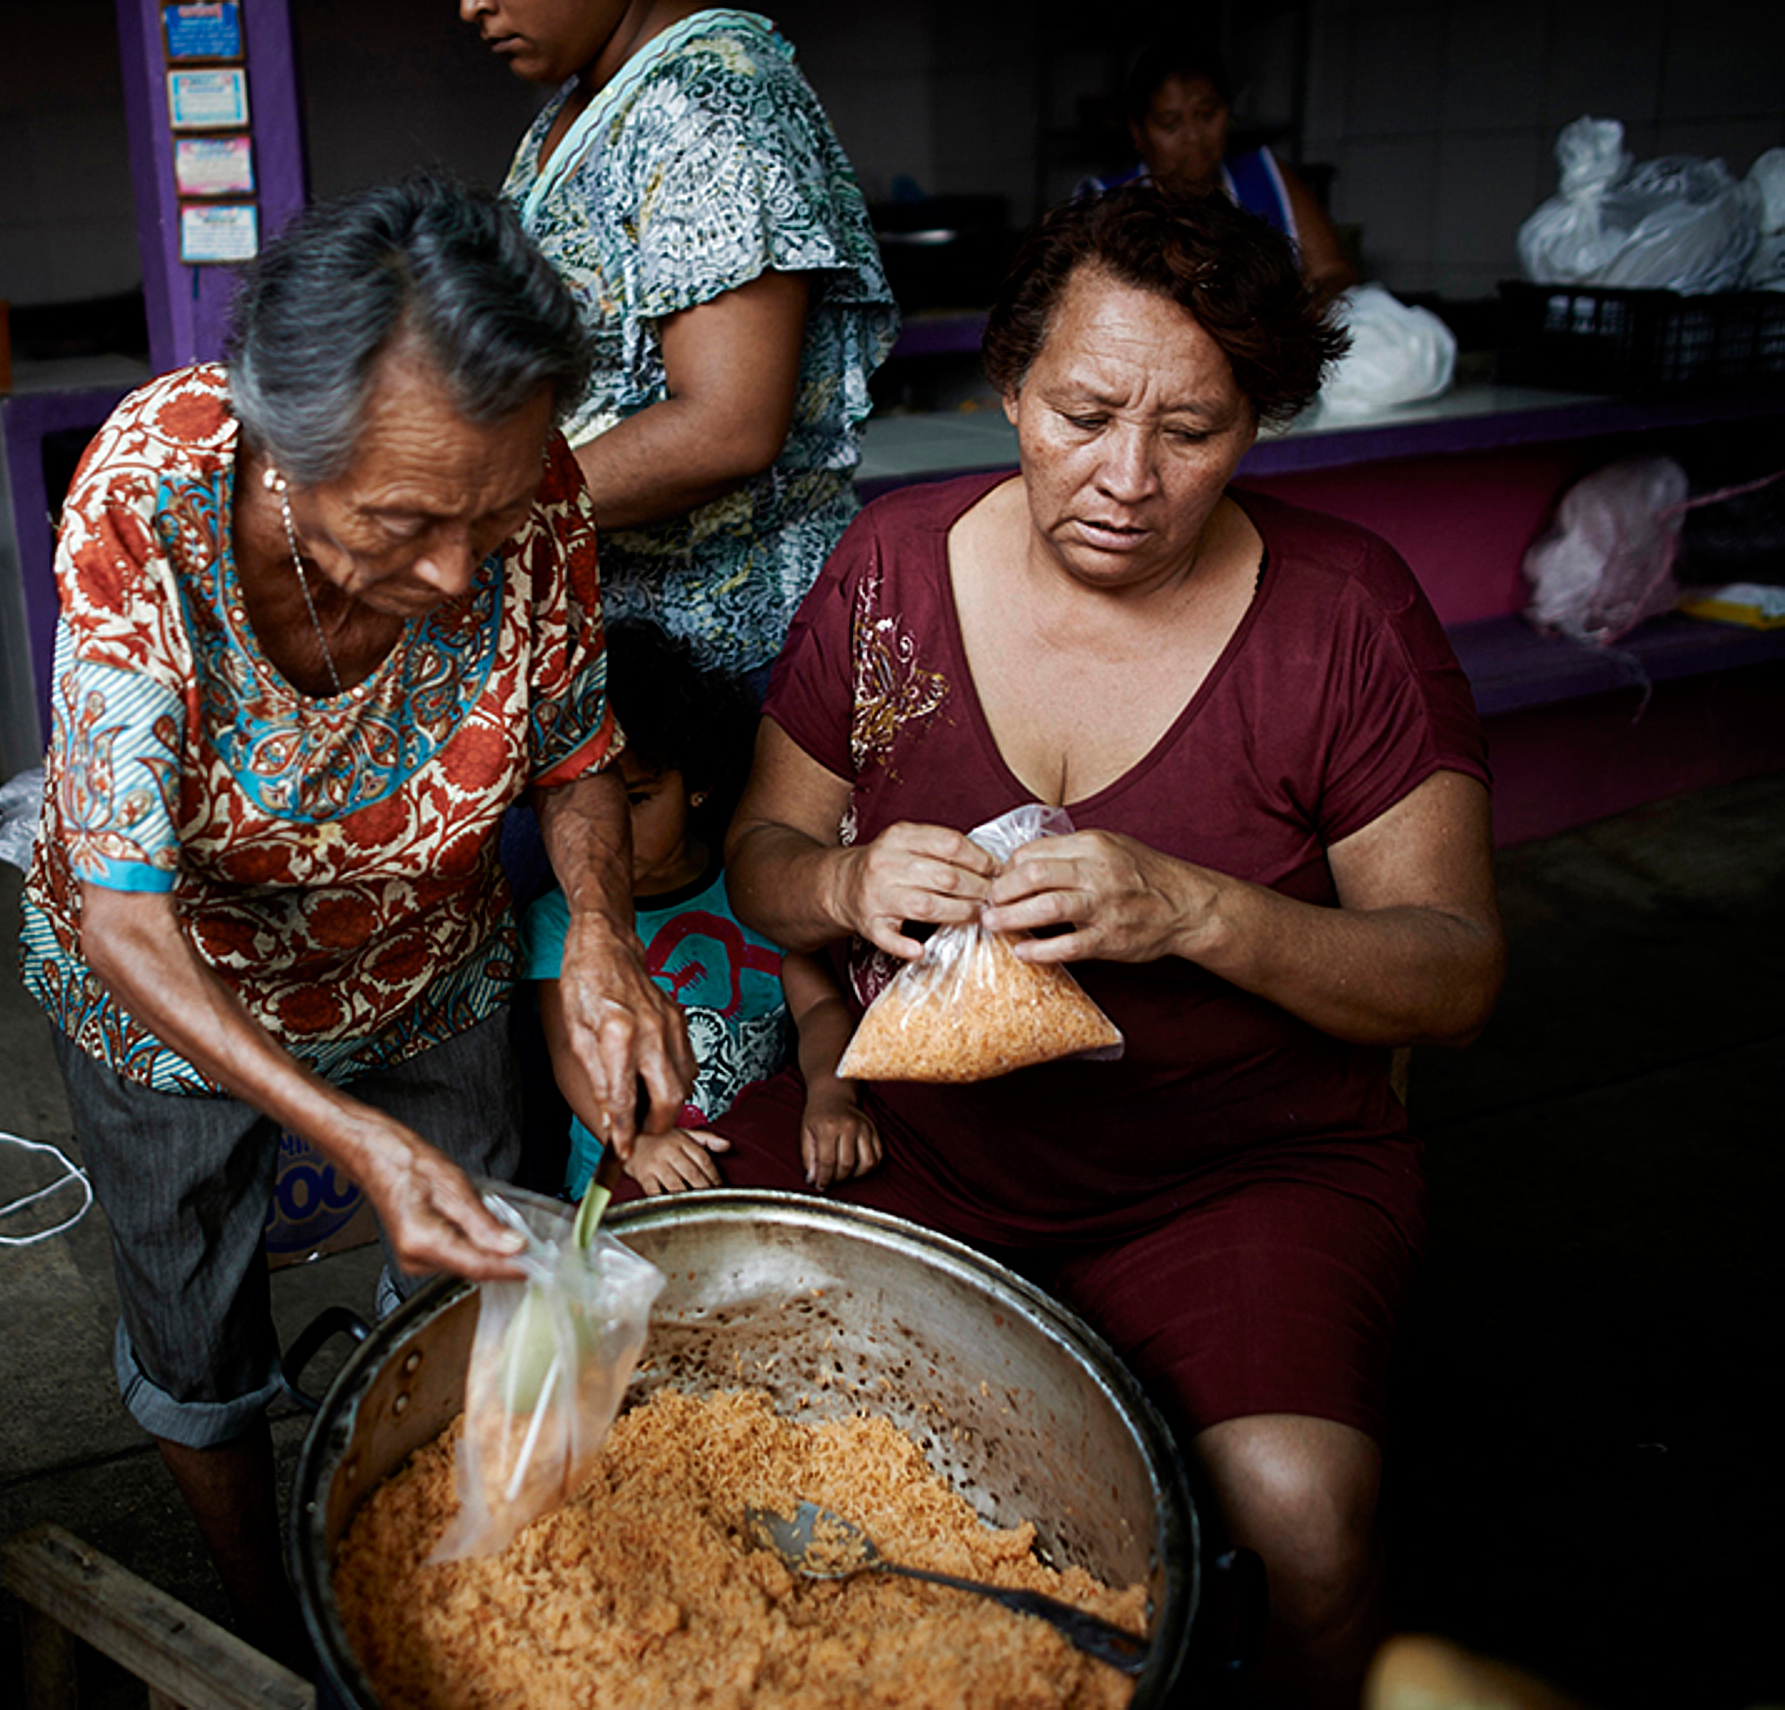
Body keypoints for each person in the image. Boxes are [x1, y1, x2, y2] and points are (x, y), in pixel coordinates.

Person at [710, 184, 1505, 1708]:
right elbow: (759, 863)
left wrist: (1196, 909)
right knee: (653, 1345)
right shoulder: (891, 569)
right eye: (1081, 413)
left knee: (1300, 1522)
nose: (1126, 479)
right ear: (1007, 385)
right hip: (909, 1134)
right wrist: (849, 881)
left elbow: (1458, 973)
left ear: (1259, 425)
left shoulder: (1345, 618)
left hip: (1236, 1166)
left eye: (1193, 430)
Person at [19, 172, 693, 1663]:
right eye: (402, 520)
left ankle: (435, 1582)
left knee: (461, 1274)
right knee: (194, 1308)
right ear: (277, 447)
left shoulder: (529, 493)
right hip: (179, 989)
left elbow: (578, 752)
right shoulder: (147, 496)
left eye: (492, 515)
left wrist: (599, 936)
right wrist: (348, 1133)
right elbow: (125, 914)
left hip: (423, 960)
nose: (459, 570)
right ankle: (281, 1615)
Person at [461, 0, 898, 678]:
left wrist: (475, 514)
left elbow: (727, 427)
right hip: (626, 644)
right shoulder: (598, 96)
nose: (471, 6)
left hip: (727, 657)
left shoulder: (711, 101)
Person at [523, 618, 873, 1198]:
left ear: (699, 780)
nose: (615, 833)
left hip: (759, 1170)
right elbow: (569, 1054)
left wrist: (831, 1097)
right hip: (618, 1190)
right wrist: (638, 1142)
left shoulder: (756, 887)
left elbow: (820, 1010)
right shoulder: (561, 920)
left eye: (637, 799)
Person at [1081, 37, 1359, 297]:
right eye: (1170, 123)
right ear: (1138, 132)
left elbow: (1334, 272)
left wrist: (1296, 322)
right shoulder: (1105, 202)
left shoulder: (1265, 176)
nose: (1193, 136)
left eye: (1206, 115)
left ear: (1227, 112)